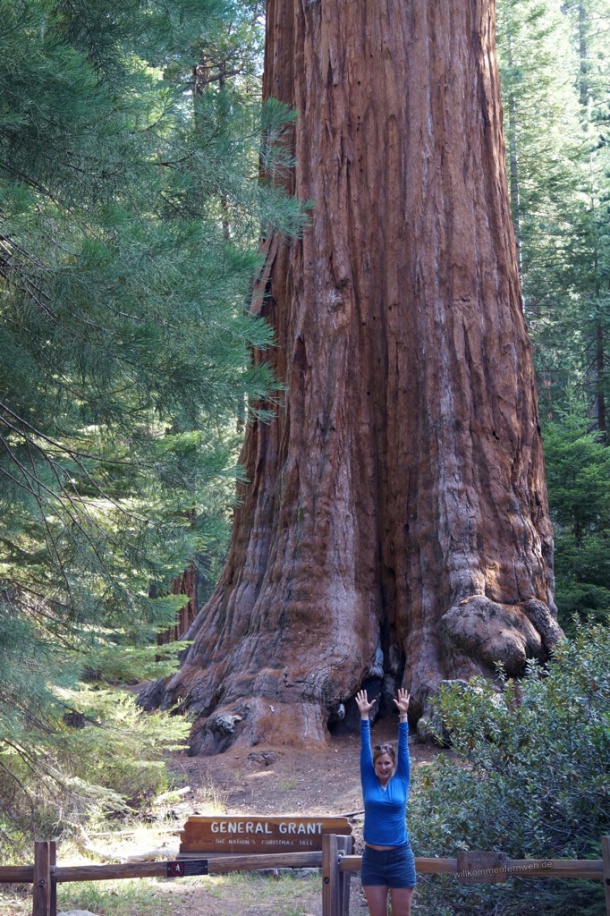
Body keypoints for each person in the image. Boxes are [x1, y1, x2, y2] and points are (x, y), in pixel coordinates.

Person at [356, 687, 416, 916]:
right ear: (374, 765)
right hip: (372, 859)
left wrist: (403, 715)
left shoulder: (401, 779)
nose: (383, 767)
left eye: (387, 763)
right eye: (379, 763)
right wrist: (364, 716)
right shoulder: (368, 780)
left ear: (393, 765)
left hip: (400, 857)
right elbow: (364, 749)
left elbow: (404, 747)